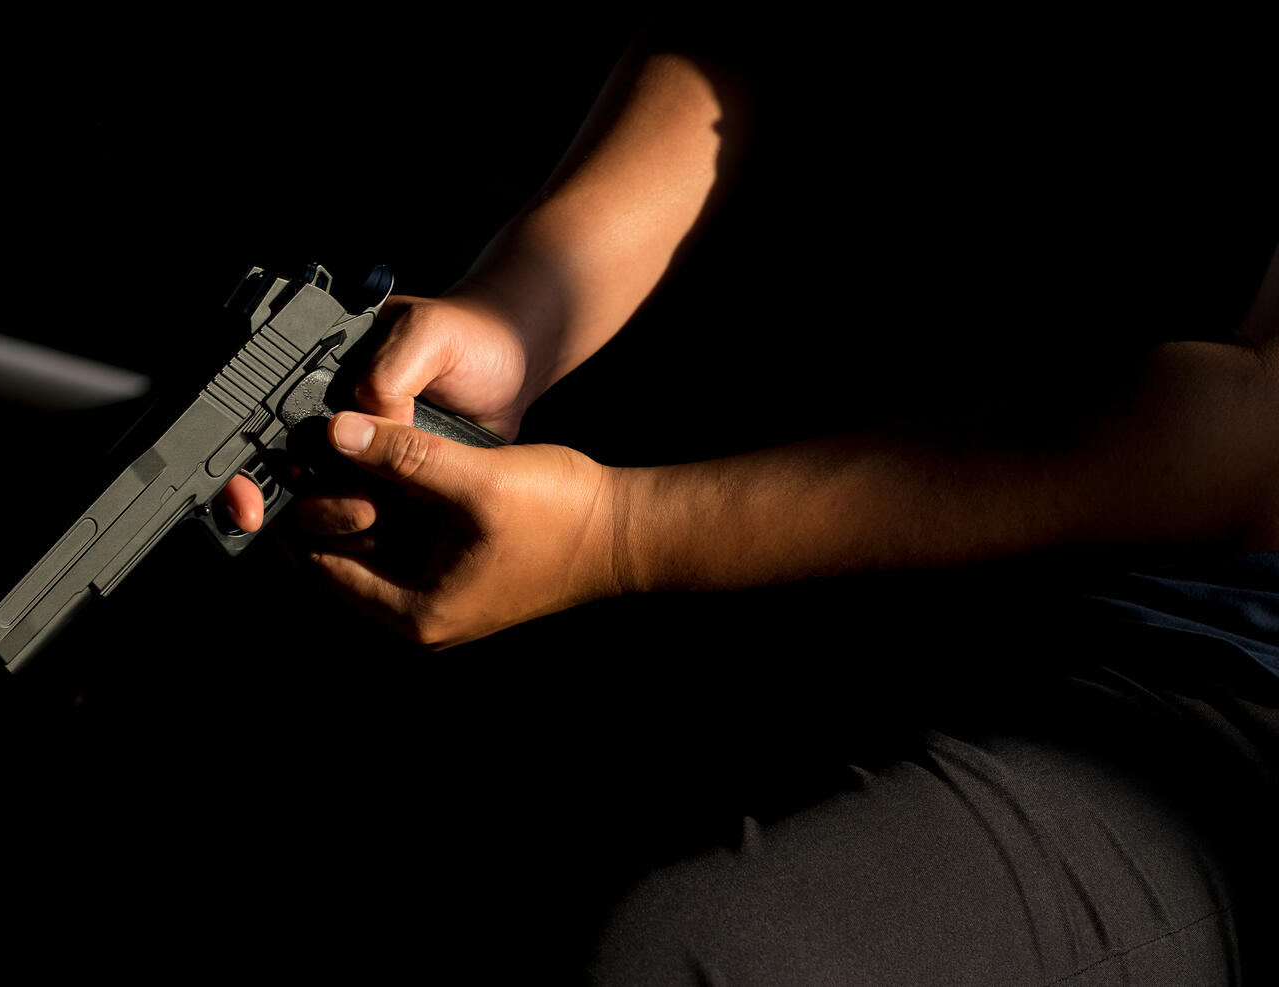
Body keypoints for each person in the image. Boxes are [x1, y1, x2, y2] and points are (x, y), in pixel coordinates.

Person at [218, 23, 1279, 985]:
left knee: (702, 959)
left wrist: (615, 534)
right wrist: (518, 320)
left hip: (1207, 671)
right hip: (860, 455)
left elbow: (1250, 434)